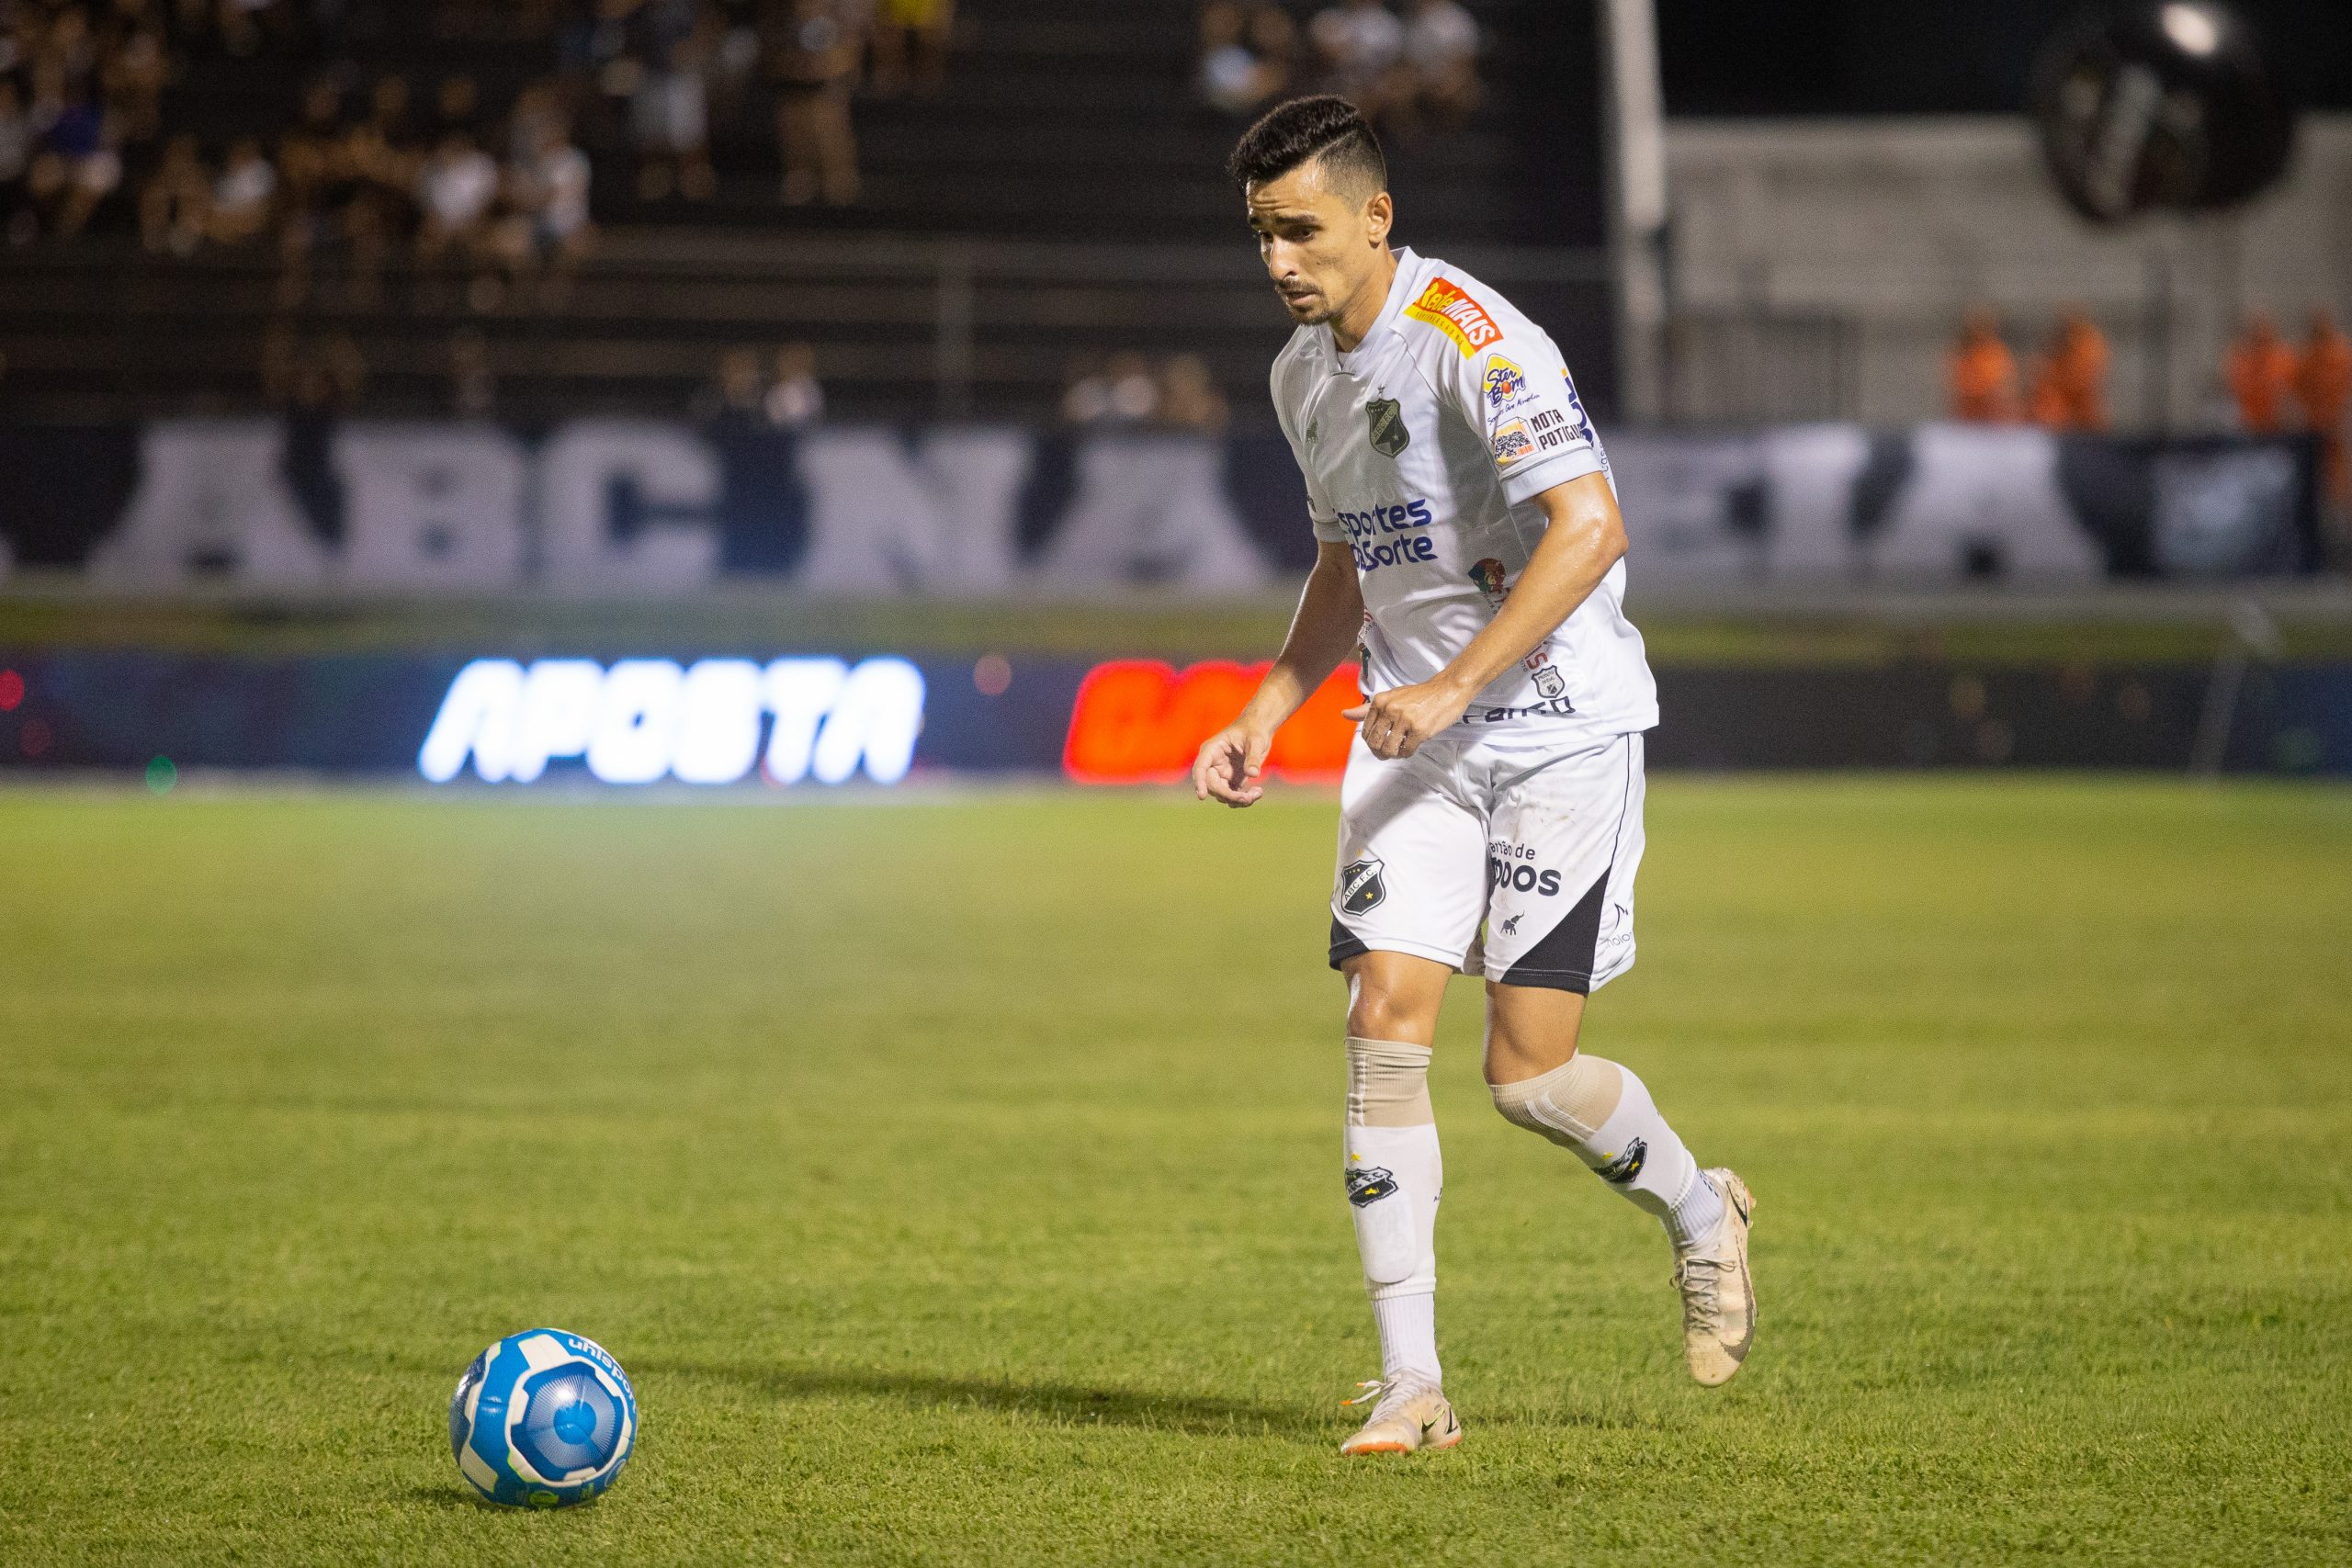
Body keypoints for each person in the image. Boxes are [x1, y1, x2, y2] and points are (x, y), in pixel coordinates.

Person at [1193, 96, 1755, 1459]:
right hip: (1414, 741)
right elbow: (1348, 563)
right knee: (1382, 1021)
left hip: (1558, 730)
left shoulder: (1475, 340)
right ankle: (1412, 1383)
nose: (1279, 259)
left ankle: (1701, 1207)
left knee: (1527, 1074)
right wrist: (1269, 703)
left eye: (1301, 230)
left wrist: (1454, 682)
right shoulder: (1298, 376)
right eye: (1261, 232)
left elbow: (1591, 527)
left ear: (1376, 216)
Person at [768, 0, 865, 207]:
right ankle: (802, 176)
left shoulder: (835, 22)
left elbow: (851, 54)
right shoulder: (790, 24)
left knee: (828, 129)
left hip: (828, 86)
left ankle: (838, 178)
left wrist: (824, 68)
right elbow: (776, 56)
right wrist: (796, 66)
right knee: (795, 129)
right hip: (796, 87)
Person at [2296, 308, 2351, 511]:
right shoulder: (2307, 357)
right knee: (2319, 479)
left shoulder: (2342, 354)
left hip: (2338, 427)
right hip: (2315, 429)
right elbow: (2299, 392)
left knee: (2339, 478)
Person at [2026, 308, 2108, 433]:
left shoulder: (2088, 347)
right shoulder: (2052, 355)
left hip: (2083, 417)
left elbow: (2083, 380)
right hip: (2057, 420)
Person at [2227, 310, 2299, 434]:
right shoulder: (2241, 360)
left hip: (2279, 427)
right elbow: (2236, 391)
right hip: (2247, 426)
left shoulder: (2284, 359)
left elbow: (2290, 392)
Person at [1947, 305, 2018, 423]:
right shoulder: (1962, 354)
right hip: (1968, 419)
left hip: (1995, 419)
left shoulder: (1997, 353)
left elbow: (2004, 387)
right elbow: (1959, 387)